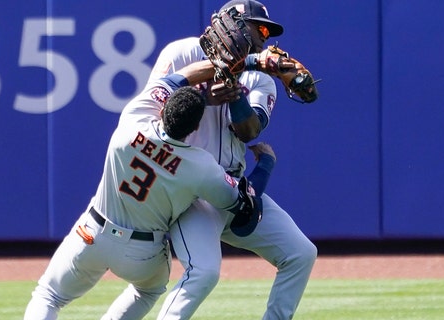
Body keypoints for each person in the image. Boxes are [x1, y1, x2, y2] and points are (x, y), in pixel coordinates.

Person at [23, 58, 276, 319]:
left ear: (163, 107)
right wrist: (266, 162)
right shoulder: (200, 165)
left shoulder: (135, 117)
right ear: (196, 127)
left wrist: (240, 61)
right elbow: (245, 203)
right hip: (143, 251)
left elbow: (177, 78)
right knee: (147, 291)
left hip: (93, 232)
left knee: (48, 295)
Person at [148, 0, 318, 319]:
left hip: (233, 188)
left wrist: (236, 94)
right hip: (192, 194)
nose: (266, 37)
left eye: (270, 32)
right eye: (260, 28)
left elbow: (249, 130)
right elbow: (154, 111)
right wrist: (202, 96)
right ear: (232, 24)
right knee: (203, 273)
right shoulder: (181, 53)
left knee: (301, 253)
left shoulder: (262, 77)